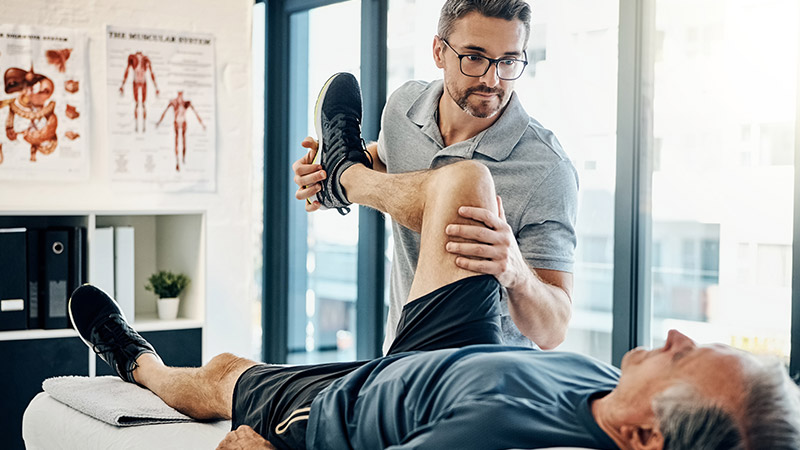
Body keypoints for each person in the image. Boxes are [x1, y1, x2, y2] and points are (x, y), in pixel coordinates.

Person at [69, 82, 800, 449]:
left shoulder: (500, 444)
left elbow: (553, 324)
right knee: (465, 180)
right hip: (456, 349)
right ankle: (348, 172)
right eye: (698, 340)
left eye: (685, 358)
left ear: (644, 437)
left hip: (361, 405)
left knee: (223, 372)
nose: (675, 335)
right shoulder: (616, 395)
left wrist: (517, 272)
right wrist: (369, 176)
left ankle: (135, 359)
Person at [293, 0, 577, 354]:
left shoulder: (547, 168)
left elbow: (553, 332)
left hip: (484, 380)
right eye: (474, 57)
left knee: (465, 184)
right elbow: (388, 164)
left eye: (508, 61)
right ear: (439, 51)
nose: (492, 79)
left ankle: (346, 178)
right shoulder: (402, 109)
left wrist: (515, 271)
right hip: (400, 356)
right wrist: (326, 172)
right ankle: (342, 175)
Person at [119, 51, 159, 133]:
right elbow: (127, 71)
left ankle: (143, 126)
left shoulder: (146, 59)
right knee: (137, 104)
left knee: (143, 104)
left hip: (143, 82)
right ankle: (137, 126)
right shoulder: (132, 58)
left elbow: (151, 73)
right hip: (136, 82)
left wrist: (156, 87)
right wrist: (122, 85)